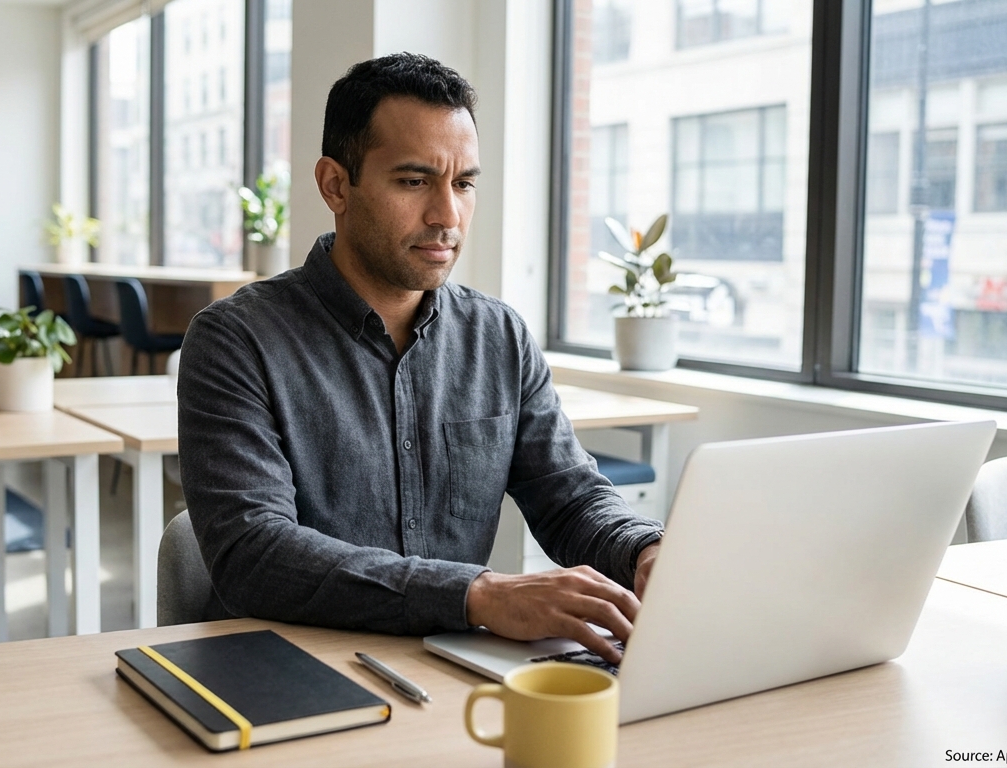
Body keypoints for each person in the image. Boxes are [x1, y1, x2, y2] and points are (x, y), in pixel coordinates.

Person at [177, 53, 662, 662]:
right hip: (283, 668)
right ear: (335, 185)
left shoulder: (499, 336)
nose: (447, 216)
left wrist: (644, 549)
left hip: (447, 669)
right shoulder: (235, 340)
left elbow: (568, 495)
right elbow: (253, 554)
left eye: (463, 184)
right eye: (413, 182)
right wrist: (477, 595)